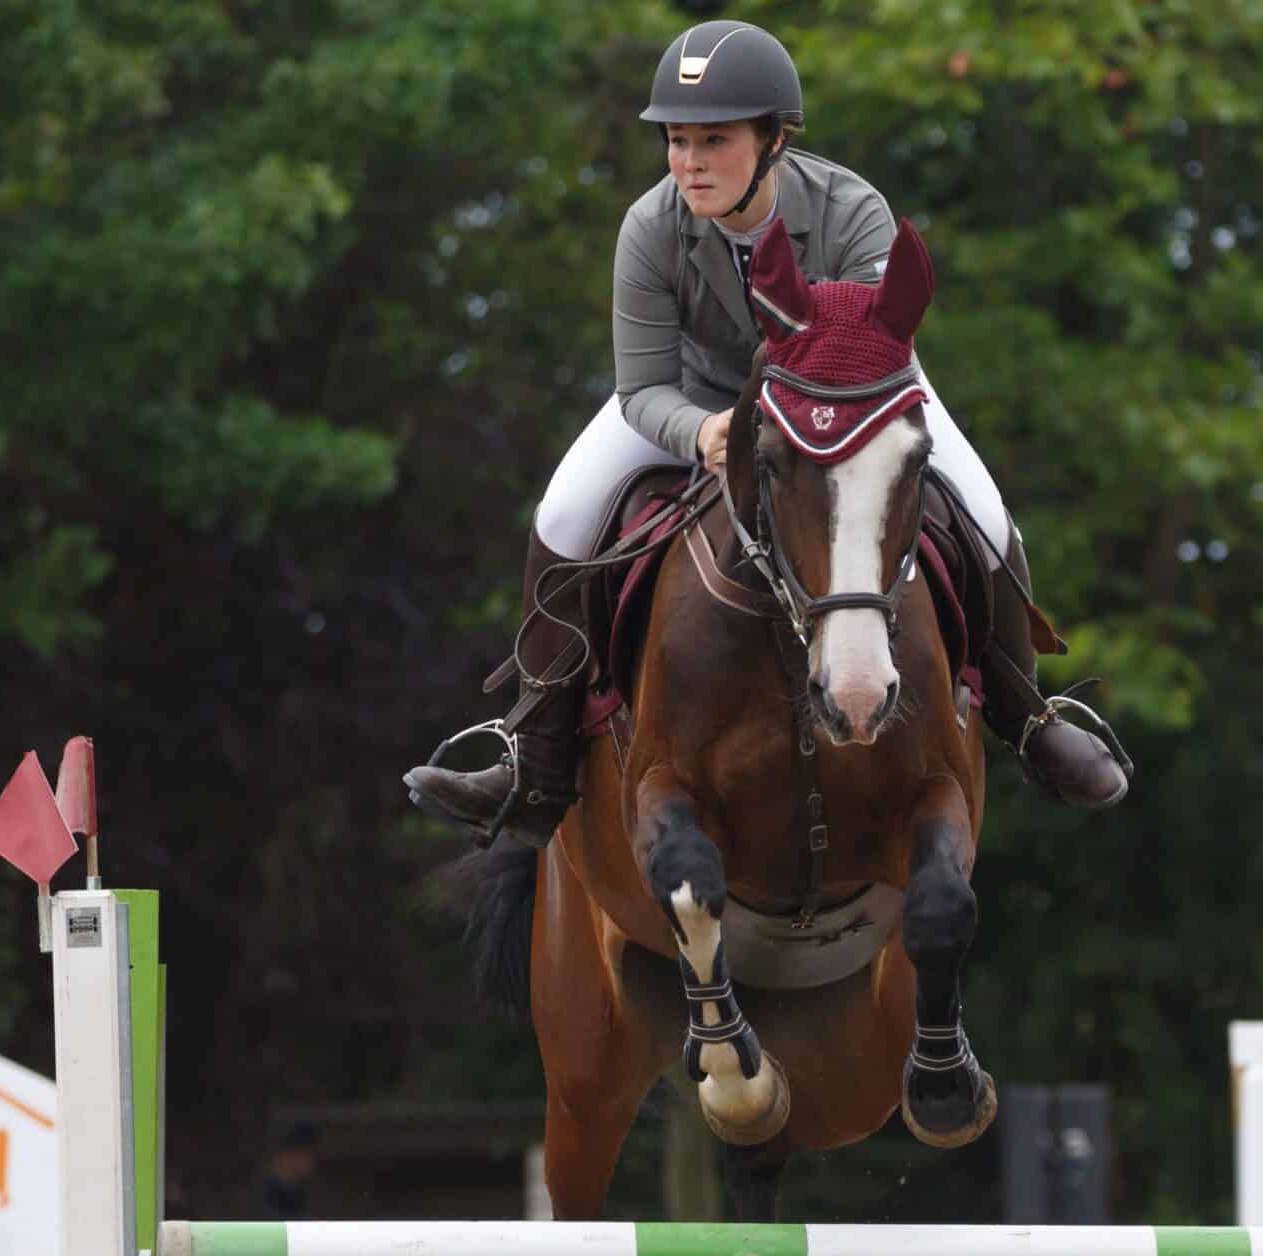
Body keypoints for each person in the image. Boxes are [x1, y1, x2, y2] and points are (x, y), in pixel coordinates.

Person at [406, 18, 1132, 847]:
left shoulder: (853, 211)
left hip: (850, 395)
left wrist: (780, 423)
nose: (688, 164)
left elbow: (866, 355)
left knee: (986, 510)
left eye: (712, 140)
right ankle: (532, 753)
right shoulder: (650, 228)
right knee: (563, 513)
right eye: (677, 142)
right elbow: (640, 385)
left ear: (774, 140)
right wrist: (705, 430)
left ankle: (1029, 716)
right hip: (691, 398)